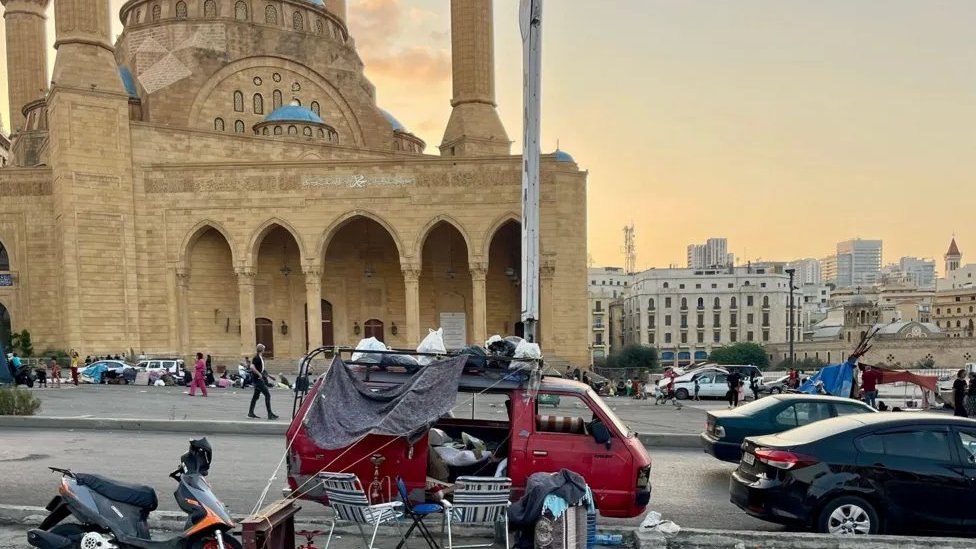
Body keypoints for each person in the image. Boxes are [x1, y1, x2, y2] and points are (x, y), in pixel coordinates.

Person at [249, 343, 278, 420]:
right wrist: (259, 374)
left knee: (255, 396)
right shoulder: (256, 358)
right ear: (262, 350)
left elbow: (262, 370)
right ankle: (270, 414)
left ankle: (250, 413)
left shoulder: (260, 358)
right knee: (267, 395)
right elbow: (252, 367)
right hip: (258, 380)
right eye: (264, 349)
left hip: (258, 379)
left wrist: (270, 376)